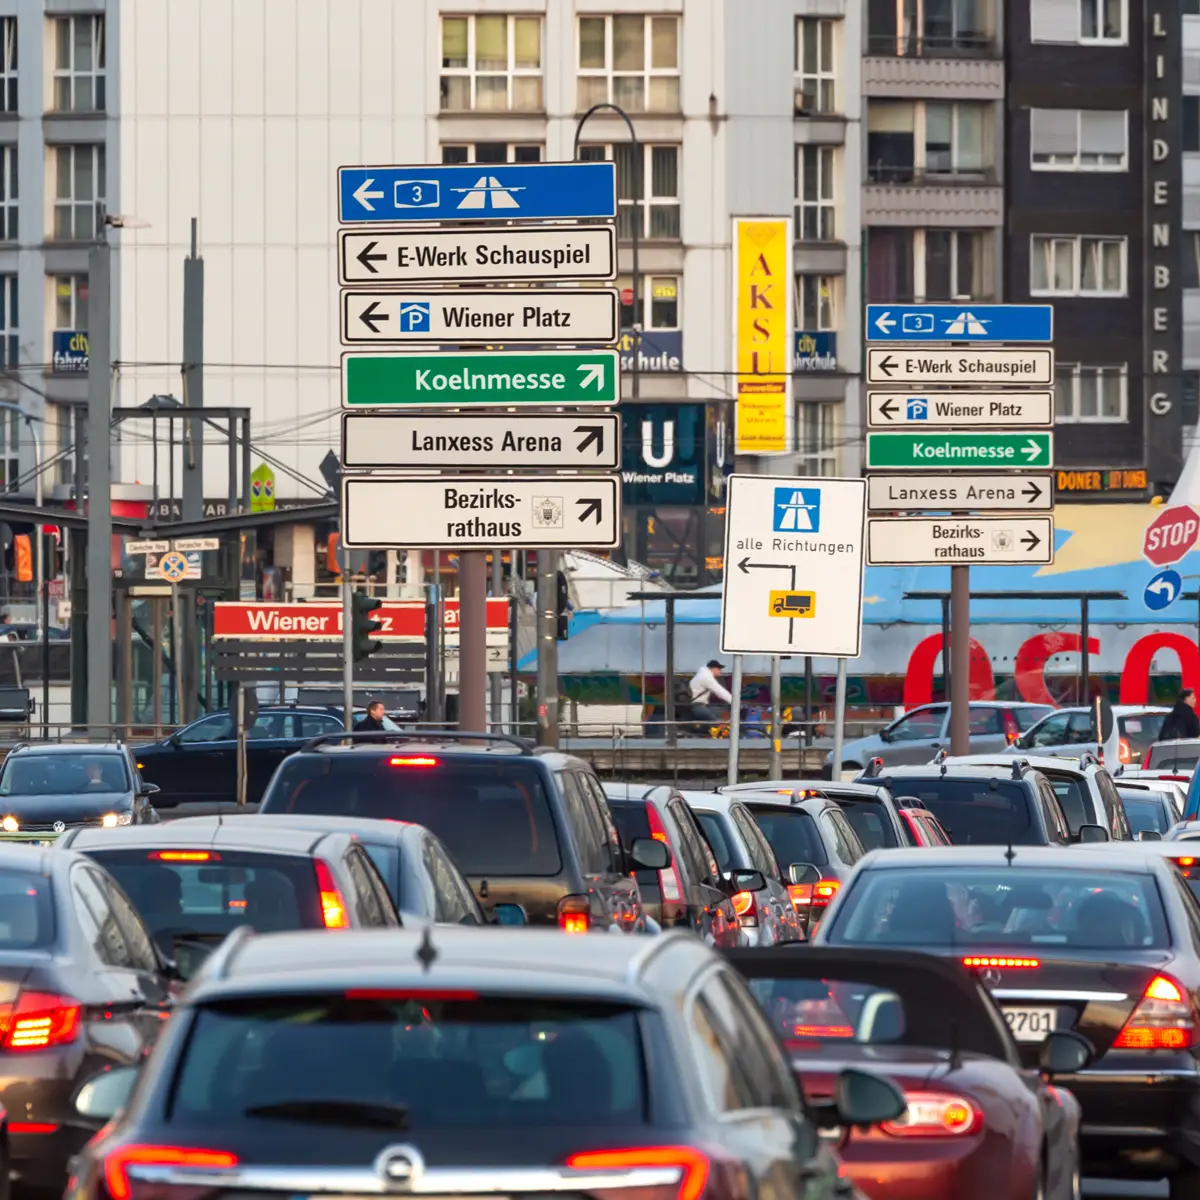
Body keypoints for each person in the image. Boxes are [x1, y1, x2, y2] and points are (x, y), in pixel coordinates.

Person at [688, 659, 732, 723]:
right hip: (698, 707)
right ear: (713, 669)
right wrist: (736, 703)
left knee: (720, 711)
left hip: (697, 706)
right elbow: (721, 692)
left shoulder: (702, 675)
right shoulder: (706, 677)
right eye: (719, 669)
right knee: (717, 723)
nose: (721, 671)